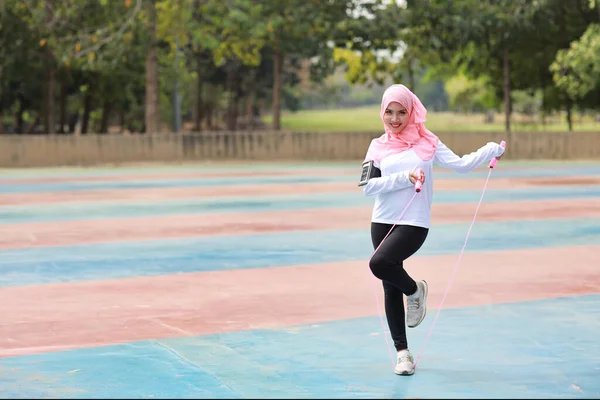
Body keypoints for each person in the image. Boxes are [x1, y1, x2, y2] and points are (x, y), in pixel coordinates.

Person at [359, 84, 505, 376]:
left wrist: (490, 149)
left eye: (402, 112)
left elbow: (461, 165)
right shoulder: (378, 146)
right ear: (382, 113)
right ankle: (403, 354)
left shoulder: (428, 142)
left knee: (379, 264)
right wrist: (405, 177)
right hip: (382, 221)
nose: (395, 118)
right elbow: (368, 186)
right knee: (389, 286)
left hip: (414, 223)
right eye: (389, 112)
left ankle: (414, 291)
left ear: (412, 111)